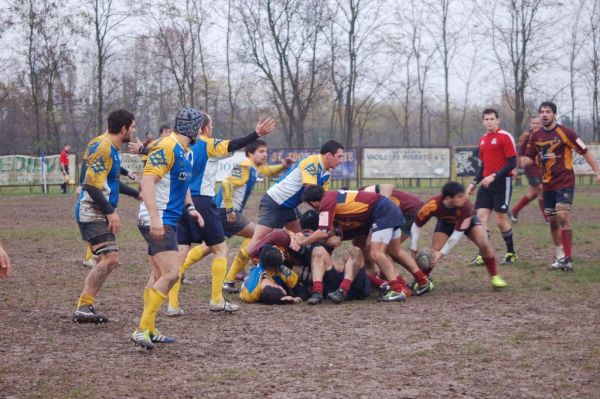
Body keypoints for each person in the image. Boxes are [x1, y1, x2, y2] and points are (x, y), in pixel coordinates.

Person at [170, 112, 276, 315]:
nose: (212, 128)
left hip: (180, 200)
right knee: (220, 249)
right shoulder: (207, 144)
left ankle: (173, 304)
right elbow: (233, 144)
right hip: (201, 200)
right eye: (211, 124)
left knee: (181, 253)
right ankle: (217, 299)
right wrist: (256, 133)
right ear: (204, 128)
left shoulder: (180, 145)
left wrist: (142, 149)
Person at [131, 107, 204, 349]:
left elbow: (182, 187)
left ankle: (149, 328)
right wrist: (155, 218)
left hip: (166, 218)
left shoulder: (186, 152)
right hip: (159, 219)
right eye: (202, 129)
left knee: (158, 276)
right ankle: (141, 329)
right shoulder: (167, 146)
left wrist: (192, 209)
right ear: (195, 129)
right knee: (173, 274)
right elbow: (148, 180)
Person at [228, 141, 345, 285]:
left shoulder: (326, 172)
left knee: (300, 239)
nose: (341, 160)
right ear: (328, 155)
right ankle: (228, 280)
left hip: (288, 207)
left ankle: (305, 272)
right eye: (339, 156)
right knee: (256, 242)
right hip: (273, 203)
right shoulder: (311, 163)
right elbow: (311, 192)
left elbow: (322, 200)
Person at [297, 186, 428, 303]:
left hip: (382, 211)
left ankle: (396, 289)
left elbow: (323, 232)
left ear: (313, 202)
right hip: (388, 208)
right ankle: (423, 281)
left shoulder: (326, 202)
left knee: (376, 253)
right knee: (395, 251)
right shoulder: (333, 198)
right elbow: (332, 233)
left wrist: (304, 241)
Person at [72, 109, 136, 323]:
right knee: (110, 259)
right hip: (92, 211)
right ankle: (84, 305)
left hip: (98, 210)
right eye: (133, 127)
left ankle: (86, 304)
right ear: (124, 129)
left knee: (106, 259)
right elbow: (90, 185)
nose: (134, 131)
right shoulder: (103, 147)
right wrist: (110, 212)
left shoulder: (110, 147)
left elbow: (111, 182)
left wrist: (137, 194)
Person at [521, 101, 600, 271]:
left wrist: (597, 171)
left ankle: (568, 259)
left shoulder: (566, 133)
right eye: (541, 111)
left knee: (563, 216)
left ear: (554, 114)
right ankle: (560, 256)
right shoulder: (535, 136)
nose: (544, 114)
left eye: (548, 111)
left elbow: (584, 151)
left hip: (565, 181)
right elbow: (528, 157)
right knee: (553, 221)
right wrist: (520, 160)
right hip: (547, 184)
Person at [214, 140, 293, 293]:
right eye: (261, 151)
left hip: (223, 211)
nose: (265, 155)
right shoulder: (245, 166)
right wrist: (230, 209)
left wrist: (283, 166)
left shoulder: (254, 167)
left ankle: (181, 271)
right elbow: (226, 184)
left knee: (208, 247)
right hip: (225, 211)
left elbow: (268, 171)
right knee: (260, 235)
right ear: (250, 153)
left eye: (266, 151)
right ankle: (230, 279)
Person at [410, 181, 508, 289]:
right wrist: (413, 248)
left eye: (463, 195)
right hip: (445, 223)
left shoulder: (466, 207)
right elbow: (416, 225)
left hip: (469, 222)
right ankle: (422, 279)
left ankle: (494, 277)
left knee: (484, 243)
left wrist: (441, 254)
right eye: (459, 196)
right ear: (448, 198)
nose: (464, 199)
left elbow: (457, 235)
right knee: (434, 251)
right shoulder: (432, 205)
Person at [466, 108, 518, 266]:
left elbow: (512, 163)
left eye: (492, 119)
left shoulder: (505, 137)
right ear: (483, 121)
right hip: (486, 185)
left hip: (502, 183)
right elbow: (484, 165)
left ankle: (511, 254)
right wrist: (474, 182)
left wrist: (494, 175)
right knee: (480, 219)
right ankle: (483, 255)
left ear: (498, 120)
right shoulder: (482, 139)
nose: (489, 121)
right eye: (486, 119)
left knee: (500, 220)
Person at [240, 245, 306, 305]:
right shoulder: (251, 294)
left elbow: (302, 291)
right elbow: (304, 292)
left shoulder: (250, 294)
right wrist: (296, 299)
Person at [509, 117, 547, 223]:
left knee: (533, 192)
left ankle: (514, 211)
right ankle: (547, 218)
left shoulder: (546, 135)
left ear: (541, 124)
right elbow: (519, 153)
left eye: (537, 123)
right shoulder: (527, 137)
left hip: (541, 168)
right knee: (542, 189)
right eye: (533, 123)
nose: (535, 125)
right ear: (530, 125)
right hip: (531, 168)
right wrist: (515, 168)